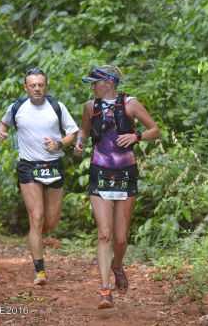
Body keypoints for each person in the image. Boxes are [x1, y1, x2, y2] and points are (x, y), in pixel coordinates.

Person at [74, 65, 160, 309]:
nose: (92, 87)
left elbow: (155, 130)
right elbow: (84, 130)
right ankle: (104, 290)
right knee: (105, 234)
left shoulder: (130, 104)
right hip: (99, 170)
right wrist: (80, 143)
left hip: (125, 172)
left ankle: (117, 265)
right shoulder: (90, 107)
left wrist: (137, 137)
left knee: (120, 239)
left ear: (109, 83)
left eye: (95, 82)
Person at [0, 68, 79, 285]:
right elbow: (3, 123)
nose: (37, 88)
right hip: (28, 167)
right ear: (26, 87)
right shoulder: (17, 107)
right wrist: (2, 132)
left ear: (46, 86)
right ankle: (40, 270)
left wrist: (59, 143)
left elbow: (73, 133)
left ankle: (37, 237)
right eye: (32, 85)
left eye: (40, 85)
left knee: (50, 222)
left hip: (54, 166)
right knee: (37, 217)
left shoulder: (56, 107)